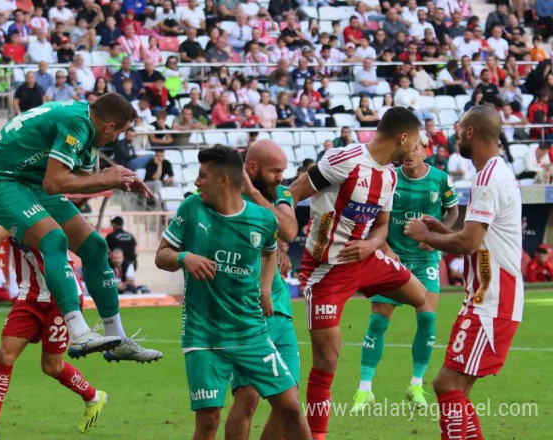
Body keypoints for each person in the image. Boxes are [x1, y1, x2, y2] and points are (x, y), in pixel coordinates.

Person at [0, 95, 162, 363]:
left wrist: (119, 180)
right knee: (53, 239)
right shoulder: (78, 123)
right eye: (121, 130)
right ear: (110, 126)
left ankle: (116, 339)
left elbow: (78, 181)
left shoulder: (90, 129)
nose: (119, 138)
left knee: (95, 246)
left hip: (30, 181)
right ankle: (79, 332)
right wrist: (106, 177)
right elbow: (55, 182)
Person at [288, 108, 428, 439]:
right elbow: (292, 193)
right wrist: (280, 242)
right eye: (417, 141)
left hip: (364, 259)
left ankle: (370, 308)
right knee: (327, 360)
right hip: (326, 270)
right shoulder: (343, 160)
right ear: (402, 138)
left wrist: (371, 247)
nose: (418, 148)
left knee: (420, 296)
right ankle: (318, 435)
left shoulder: (391, 176)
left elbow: (380, 228)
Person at [155, 146, 312, 440]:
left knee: (290, 406)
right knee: (208, 421)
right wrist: (184, 258)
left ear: (223, 180)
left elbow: (269, 252)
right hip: (204, 336)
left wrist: (266, 289)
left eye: (203, 176)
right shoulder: (191, 208)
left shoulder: (262, 218)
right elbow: (161, 255)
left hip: (251, 333)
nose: (197, 182)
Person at [404, 105, 524, 440]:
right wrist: (442, 230)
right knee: (456, 388)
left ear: (470, 132)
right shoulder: (499, 172)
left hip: (492, 300)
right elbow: (478, 238)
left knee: (447, 384)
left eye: (459, 132)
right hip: (490, 298)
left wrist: (426, 235)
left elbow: (470, 242)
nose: (457, 138)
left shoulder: (487, 177)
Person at [0, 224, 107, 440]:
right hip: (29, 297)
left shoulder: (26, 208)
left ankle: (93, 397)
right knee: (4, 354)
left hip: (60, 296)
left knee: (52, 366)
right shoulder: (9, 206)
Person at [350, 134, 460, 415]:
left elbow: (453, 212)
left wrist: (436, 235)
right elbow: (374, 219)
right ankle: (364, 389)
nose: (409, 153)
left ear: (426, 151)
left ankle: (416, 384)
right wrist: (385, 248)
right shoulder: (389, 178)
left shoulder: (440, 179)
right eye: (407, 148)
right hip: (392, 258)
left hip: (425, 260)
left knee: (427, 317)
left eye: (416, 148)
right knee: (378, 319)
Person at [223, 139, 300, 440]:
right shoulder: (224, 195)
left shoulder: (278, 193)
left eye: (283, 170)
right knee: (249, 396)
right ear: (251, 168)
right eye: (274, 171)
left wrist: (278, 242)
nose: (281, 178)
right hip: (245, 310)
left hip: (279, 306)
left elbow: (289, 229)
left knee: (289, 397)